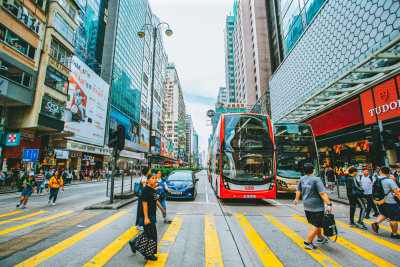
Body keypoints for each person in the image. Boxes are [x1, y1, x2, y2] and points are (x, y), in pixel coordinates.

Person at [294, 163, 332, 250]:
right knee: (316, 223)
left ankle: (320, 238)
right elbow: (322, 193)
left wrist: (296, 199)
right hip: (316, 206)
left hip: (306, 205)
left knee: (316, 222)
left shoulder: (302, 179)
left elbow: (299, 190)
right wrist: (329, 204)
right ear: (313, 170)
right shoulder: (316, 180)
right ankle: (308, 242)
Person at [130, 173, 167, 261]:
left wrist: (162, 209)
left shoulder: (153, 190)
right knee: (152, 235)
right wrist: (146, 218)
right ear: (148, 180)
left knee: (148, 233)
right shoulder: (146, 190)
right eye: (152, 178)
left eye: (155, 178)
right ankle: (148, 255)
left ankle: (134, 242)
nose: (155, 180)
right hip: (147, 215)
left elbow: (155, 200)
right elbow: (144, 204)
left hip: (152, 215)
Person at [371, 166, 400, 239]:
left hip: (379, 201)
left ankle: (376, 223)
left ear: (380, 171)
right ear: (389, 172)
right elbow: (396, 192)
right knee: (394, 218)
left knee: (384, 213)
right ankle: (394, 234)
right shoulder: (389, 181)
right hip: (390, 202)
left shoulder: (376, 179)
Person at [135, 166, 150, 231]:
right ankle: (139, 225)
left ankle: (138, 224)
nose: (150, 171)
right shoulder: (144, 178)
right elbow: (144, 187)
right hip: (142, 197)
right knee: (141, 211)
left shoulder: (146, 177)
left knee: (141, 210)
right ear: (147, 171)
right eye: (149, 170)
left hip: (143, 196)